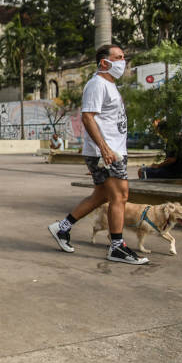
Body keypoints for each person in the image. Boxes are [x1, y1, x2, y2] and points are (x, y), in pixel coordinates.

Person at [47, 45, 148, 265]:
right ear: (104, 62)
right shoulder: (97, 84)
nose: (123, 61)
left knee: (102, 196)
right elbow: (87, 118)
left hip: (112, 150)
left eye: (123, 57)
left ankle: (62, 228)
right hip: (106, 152)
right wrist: (104, 149)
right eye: (118, 58)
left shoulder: (110, 85)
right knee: (120, 196)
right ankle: (117, 247)